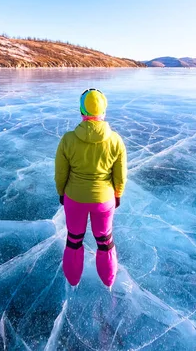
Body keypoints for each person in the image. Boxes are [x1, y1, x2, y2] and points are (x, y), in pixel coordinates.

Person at [55, 88, 127, 288]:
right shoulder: (115, 140)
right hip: (104, 200)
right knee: (105, 242)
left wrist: (62, 192)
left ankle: (73, 281)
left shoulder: (68, 139)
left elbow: (61, 173)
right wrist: (118, 194)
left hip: (74, 199)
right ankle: (108, 281)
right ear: (103, 111)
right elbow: (120, 176)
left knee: (74, 240)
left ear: (81, 111)